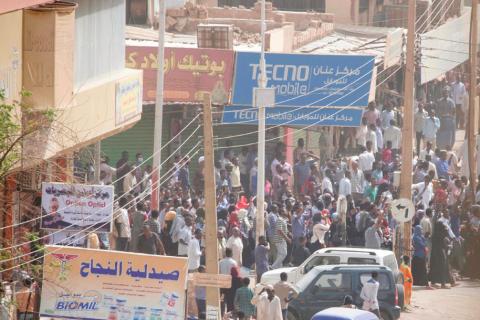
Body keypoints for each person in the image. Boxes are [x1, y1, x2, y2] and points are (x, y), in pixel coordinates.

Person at [429, 222, 451, 288]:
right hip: (440, 252)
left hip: (434, 253)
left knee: (434, 267)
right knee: (442, 268)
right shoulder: (441, 233)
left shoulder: (434, 234)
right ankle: (443, 284)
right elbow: (446, 234)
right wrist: (446, 229)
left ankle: (433, 282)